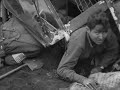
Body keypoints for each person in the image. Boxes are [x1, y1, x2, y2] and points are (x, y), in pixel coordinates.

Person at [57, 10, 119, 89]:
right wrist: (83, 80)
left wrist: (100, 66)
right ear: (88, 29)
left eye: (104, 32)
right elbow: (62, 70)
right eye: (97, 33)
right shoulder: (78, 42)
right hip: (65, 41)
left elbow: (113, 51)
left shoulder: (107, 32)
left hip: (91, 54)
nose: (101, 37)